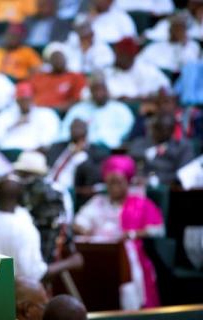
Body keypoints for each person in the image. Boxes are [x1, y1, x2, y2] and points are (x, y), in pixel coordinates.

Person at [73, 155, 164, 309]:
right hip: (98, 253)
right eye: (110, 182)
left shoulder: (140, 203)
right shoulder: (98, 201)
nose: (114, 186)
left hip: (126, 254)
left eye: (118, 182)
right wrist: (85, 230)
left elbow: (158, 230)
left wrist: (133, 234)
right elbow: (78, 223)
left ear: (127, 182)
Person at [59, 74, 134, 149]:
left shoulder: (121, 109)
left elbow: (123, 133)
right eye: (95, 90)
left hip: (110, 149)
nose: (99, 93)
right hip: (81, 149)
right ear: (90, 91)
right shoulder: (78, 109)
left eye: (102, 89)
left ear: (107, 90)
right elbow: (65, 132)